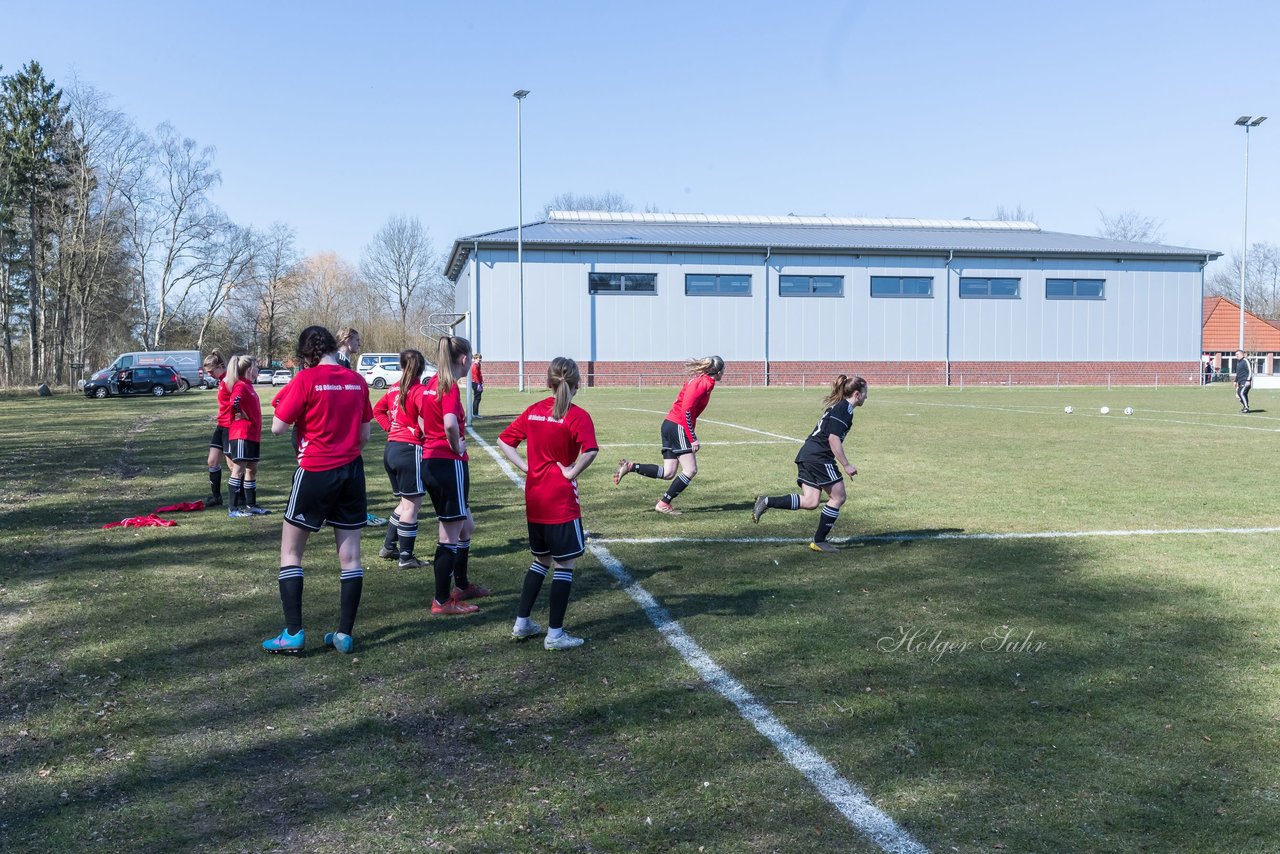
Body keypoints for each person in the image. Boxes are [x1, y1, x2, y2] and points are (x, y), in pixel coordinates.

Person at [262, 325, 373, 654]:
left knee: (291, 552)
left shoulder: (306, 379)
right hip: (352, 472)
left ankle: (293, 632)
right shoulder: (357, 380)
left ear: (306, 352)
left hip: (315, 470)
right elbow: (365, 436)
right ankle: (344, 634)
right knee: (351, 558)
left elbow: (278, 428)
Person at [498, 357, 598, 650]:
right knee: (565, 564)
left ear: (548, 383)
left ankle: (522, 623)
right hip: (560, 501)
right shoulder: (577, 415)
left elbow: (504, 441)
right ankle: (555, 635)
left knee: (541, 560)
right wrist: (570, 472)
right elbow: (590, 451)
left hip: (535, 498)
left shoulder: (533, 411)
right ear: (578, 383)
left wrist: (526, 467)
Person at [751, 374, 868, 553]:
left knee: (811, 501)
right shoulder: (844, 409)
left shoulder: (839, 407)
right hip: (819, 457)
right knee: (838, 497)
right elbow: (833, 439)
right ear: (857, 394)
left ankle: (766, 501)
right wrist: (846, 465)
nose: (867, 396)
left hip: (808, 454)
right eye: (866, 392)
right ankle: (819, 541)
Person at [420, 335, 489, 615]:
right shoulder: (448, 387)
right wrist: (453, 443)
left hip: (433, 463)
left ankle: (461, 585)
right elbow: (450, 423)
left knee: (465, 526)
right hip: (447, 464)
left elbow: (419, 416)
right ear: (464, 359)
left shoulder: (431, 384)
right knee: (449, 534)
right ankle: (441, 601)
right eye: (471, 357)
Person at [613, 355, 725, 515]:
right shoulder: (703, 383)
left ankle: (631, 467)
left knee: (669, 473)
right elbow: (686, 410)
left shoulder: (703, 381)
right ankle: (664, 503)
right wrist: (692, 438)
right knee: (691, 470)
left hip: (671, 424)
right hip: (677, 426)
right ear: (718, 371)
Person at [372, 349, 431, 569]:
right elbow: (427, 423)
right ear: (422, 368)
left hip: (392, 450)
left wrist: (391, 429)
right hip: (409, 450)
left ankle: (389, 546)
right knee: (412, 507)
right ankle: (406, 557)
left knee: (405, 503)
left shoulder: (393, 388)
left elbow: (377, 411)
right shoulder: (419, 390)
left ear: (401, 366)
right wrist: (421, 434)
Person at [225, 355, 270, 517]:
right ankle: (233, 509)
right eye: (256, 367)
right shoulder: (241, 386)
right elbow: (234, 402)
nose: (258, 369)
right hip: (242, 434)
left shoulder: (249, 386)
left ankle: (251, 505)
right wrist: (240, 414)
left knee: (252, 469)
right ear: (249, 369)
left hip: (253, 435)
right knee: (238, 469)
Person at [202, 351, 229, 506]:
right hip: (221, 425)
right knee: (212, 461)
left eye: (212, 371)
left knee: (234, 465)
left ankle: (241, 498)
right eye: (208, 372)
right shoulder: (220, 381)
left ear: (220, 366)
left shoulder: (229, 380)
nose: (210, 375)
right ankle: (216, 497)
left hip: (231, 427)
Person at [470, 353, 484, 418]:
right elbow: (475, 375)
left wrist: (481, 381)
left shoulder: (478, 365)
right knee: (477, 398)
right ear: (476, 358)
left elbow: (479, 374)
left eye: (481, 358)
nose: (480, 359)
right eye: (479, 358)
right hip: (475, 383)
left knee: (478, 398)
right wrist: (478, 383)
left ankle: (475, 413)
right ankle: (475, 414)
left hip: (478, 382)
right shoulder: (475, 365)